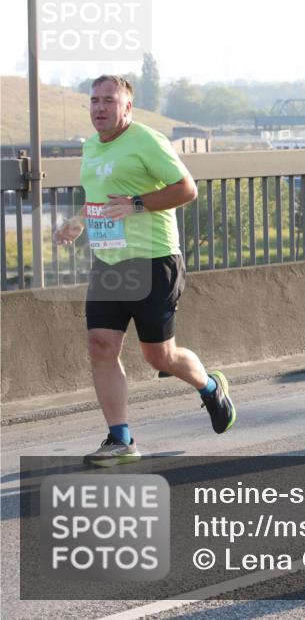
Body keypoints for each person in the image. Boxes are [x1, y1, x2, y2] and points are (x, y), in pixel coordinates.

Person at [54, 74, 236, 467]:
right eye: (94, 100)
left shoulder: (147, 141)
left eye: (109, 101)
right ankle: (121, 439)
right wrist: (77, 223)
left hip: (154, 261)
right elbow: (100, 199)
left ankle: (209, 386)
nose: (100, 108)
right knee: (100, 345)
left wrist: (137, 204)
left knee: (159, 357)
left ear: (127, 107)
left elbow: (187, 189)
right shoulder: (91, 147)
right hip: (108, 263)